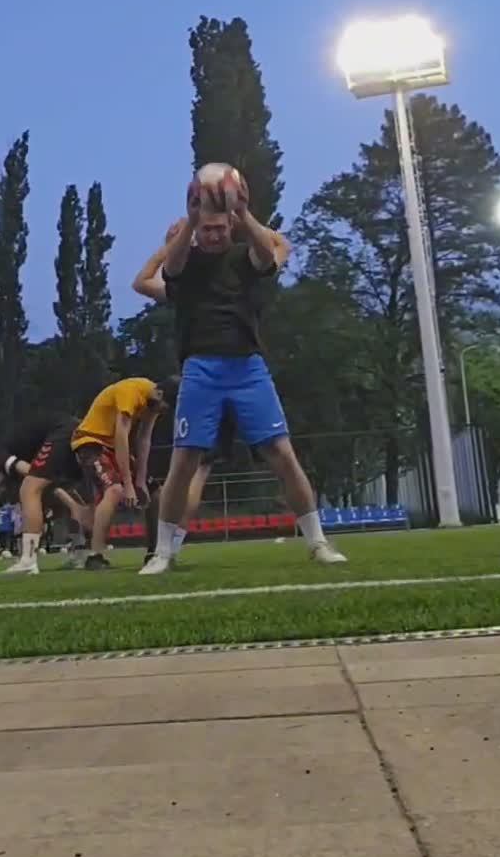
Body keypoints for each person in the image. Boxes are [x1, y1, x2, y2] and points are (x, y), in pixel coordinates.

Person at [141, 181, 347, 575]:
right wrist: (191, 219)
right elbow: (170, 267)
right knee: (183, 462)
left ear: (231, 227)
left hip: (248, 369)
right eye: (207, 228)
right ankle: (163, 553)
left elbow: (271, 253)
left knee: (283, 455)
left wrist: (243, 211)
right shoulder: (186, 261)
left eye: (220, 228)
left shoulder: (245, 258)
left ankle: (318, 542)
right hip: (200, 369)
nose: (214, 235)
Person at [132, 220, 290, 562]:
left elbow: (142, 281)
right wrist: (237, 220)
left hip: (221, 377)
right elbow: (282, 244)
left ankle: (168, 547)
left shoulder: (212, 276)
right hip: (225, 377)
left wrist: (172, 245)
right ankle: (170, 545)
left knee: (190, 471)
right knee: (197, 472)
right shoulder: (191, 283)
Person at [70, 377, 174, 571]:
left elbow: (144, 439)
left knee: (154, 493)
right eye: (164, 407)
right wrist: (128, 484)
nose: (162, 412)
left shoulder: (153, 402)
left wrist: (140, 480)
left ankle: (154, 553)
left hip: (112, 446)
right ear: (159, 394)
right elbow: (121, 435)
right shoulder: (130, 391)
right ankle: (95, 555)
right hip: (90, 442)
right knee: (115, 490)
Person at [0, 413, 89, 576]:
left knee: (29, 489)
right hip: (78, 430)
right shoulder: (26, 448)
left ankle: (28, 560)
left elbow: (31, 473)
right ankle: (79, 555)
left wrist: (72, 504)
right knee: (59, 499)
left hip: (63, 431)